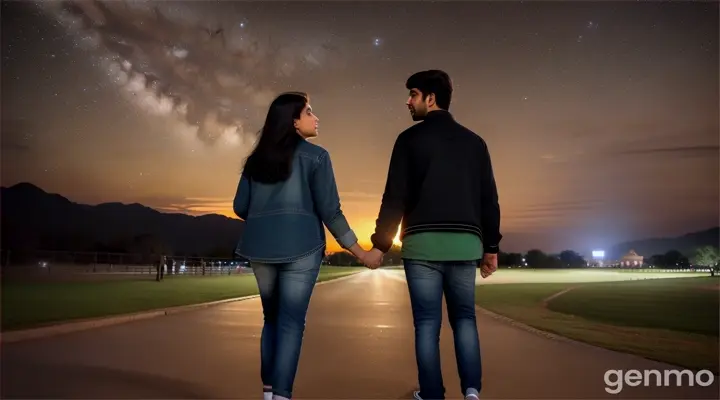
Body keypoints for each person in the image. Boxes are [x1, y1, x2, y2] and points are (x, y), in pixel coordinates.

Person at [365, 70, 502, 400]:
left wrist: (380, 245)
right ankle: (471, 393)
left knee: (427, 325)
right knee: (465, 320)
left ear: (430, 98)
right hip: (464, 245)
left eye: (413, 94)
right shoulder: (475, 142)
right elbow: (489, 199)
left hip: (422, 246)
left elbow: (394, 197)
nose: (408, 101)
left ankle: (432, 394)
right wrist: (491, 247)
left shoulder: (409, 140)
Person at [232, 92, 369, 400]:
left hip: (259, 248)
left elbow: (241, 205)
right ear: (293, 121)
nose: (316, 117)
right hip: (302, 247)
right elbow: (330, 210)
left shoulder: (255, 163)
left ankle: (269, 393)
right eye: (309, 112)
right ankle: (281, 395)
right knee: (291, 323)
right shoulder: (317, 157)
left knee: (272, 319)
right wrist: (358, 250)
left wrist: (265, 218)